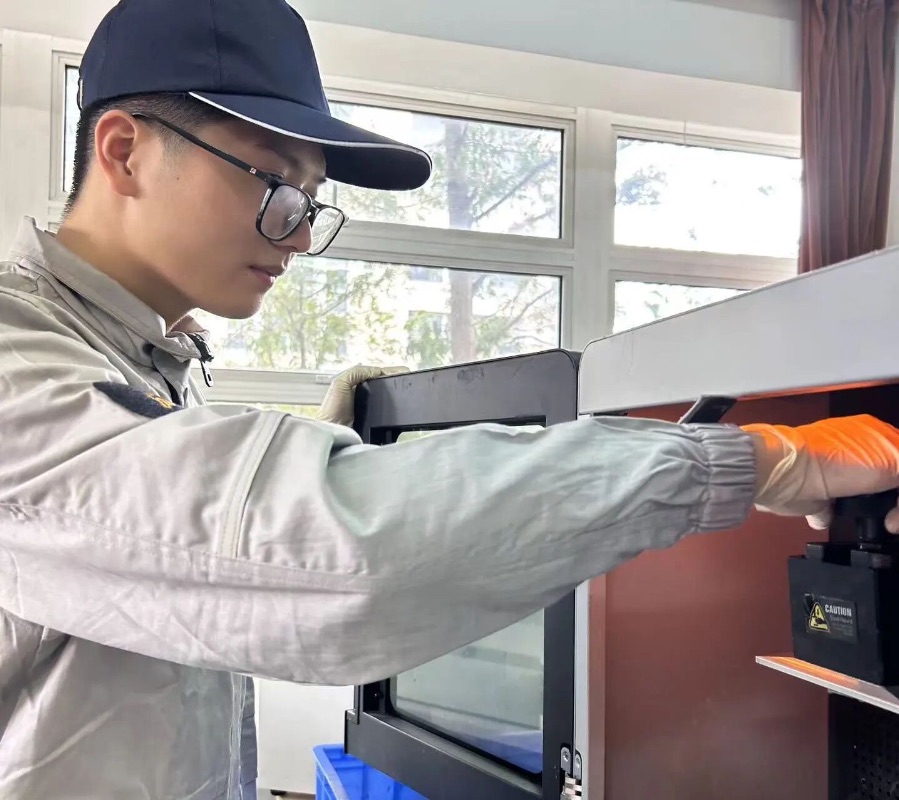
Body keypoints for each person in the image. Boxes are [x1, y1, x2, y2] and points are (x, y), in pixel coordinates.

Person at [1, 1, 899, 798]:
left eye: (311, 202)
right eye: (277, 186)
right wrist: (759, 459)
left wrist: (320, 443)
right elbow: (340, 553)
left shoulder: (148, 355)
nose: (300, 236)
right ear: (125, 151)